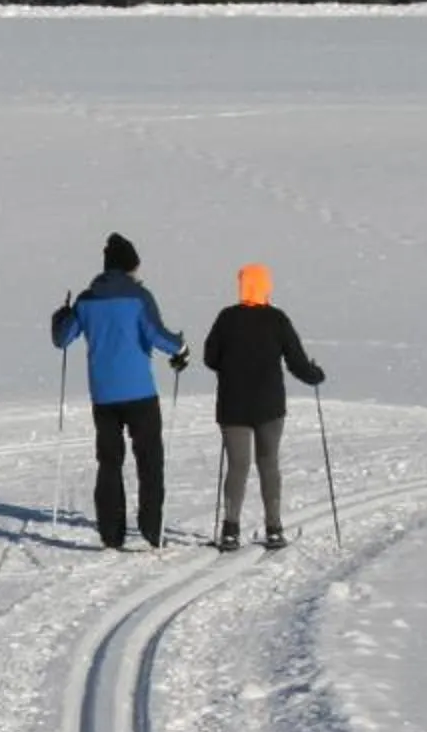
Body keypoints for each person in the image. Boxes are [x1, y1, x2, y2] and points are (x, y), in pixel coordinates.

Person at [49, 232, 188, 551]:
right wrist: (180, 346)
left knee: (109, 462)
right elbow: (156, 335)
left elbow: (62, 338)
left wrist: (61, 314)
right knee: (149, 460)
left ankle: (112, 533)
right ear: (129, 267)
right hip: (140, 392)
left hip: (104, 396)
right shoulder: (139, 297)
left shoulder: (87, 299)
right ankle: (152, 528)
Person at [199, 262, 325, 551]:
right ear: (265, 286)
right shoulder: (277, 319)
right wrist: (314, 375)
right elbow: (296, 361)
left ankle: (230, 530)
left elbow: (209, 358)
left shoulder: (226, 318)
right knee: (269, 464)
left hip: (233, 406)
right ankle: (274, 528)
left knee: (238, 466)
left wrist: (229, 365)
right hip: (269, 406)